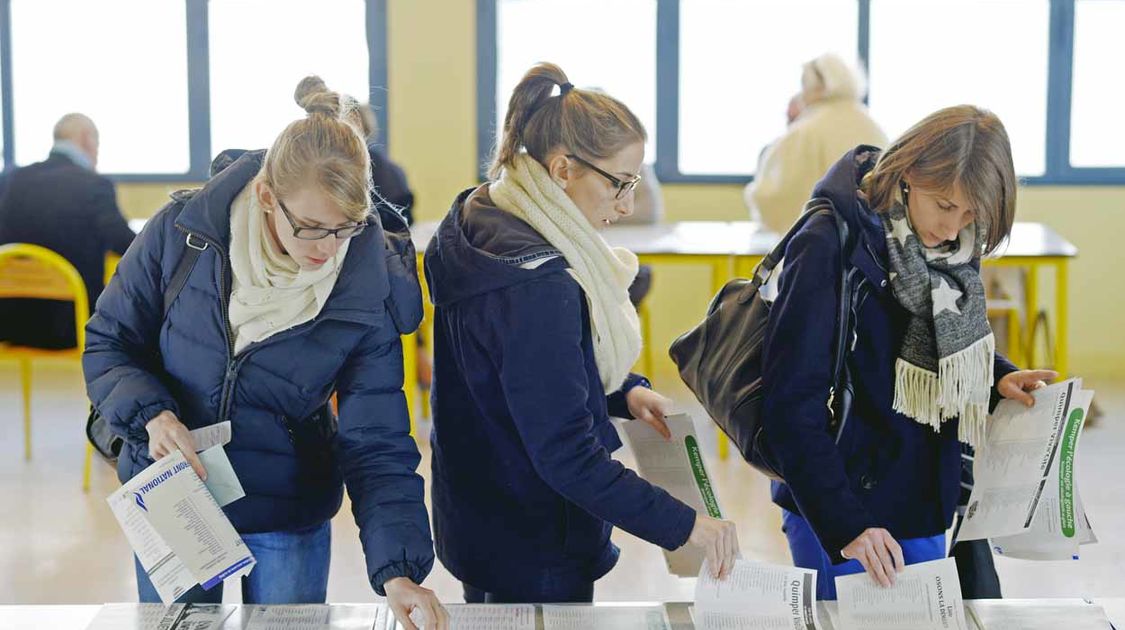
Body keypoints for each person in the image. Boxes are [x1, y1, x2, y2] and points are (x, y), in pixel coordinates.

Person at [83, 76, 446, 629]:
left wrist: (398, 569)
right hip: (174, 493)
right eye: (311, 228)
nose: (327, 250)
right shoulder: (182, 236)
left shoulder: (367, 290)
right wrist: (151, 416)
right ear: (267, 196)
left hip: (287, 508)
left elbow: (377, 440)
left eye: (346, 229)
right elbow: (110, 341)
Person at [424, 62, 740, 604]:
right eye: (619, 184)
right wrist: (687, 525)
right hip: (535, 536)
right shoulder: (536, 284)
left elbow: (520, 372)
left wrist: (625, 390)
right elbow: (566, 455)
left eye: (634, 184)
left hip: (479, 514)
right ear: (564, 168)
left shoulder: (482, 218)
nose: (626, 205)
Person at [760, 105, 1058, 599]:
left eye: (971, 215)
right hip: (839, 507)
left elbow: (932, 343)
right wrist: (847, 525)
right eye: (944, 205)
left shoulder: (952, 247)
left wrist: (993, 377)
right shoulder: (828, 241)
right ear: (909, 170)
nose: (954, 226)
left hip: (919, 496)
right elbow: (790, 406)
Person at [0, 113, 134, 348]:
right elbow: (126, 246)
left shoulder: (11, 180)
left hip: (9, 322)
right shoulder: (94, 186)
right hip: (71, 323)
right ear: (86, 140)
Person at [745, 53, 887, 233]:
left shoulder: (805, 131)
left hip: (818, 244)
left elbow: (777, 196)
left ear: (813, 86)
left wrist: (753, 193)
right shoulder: (872, 126)